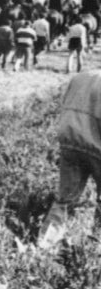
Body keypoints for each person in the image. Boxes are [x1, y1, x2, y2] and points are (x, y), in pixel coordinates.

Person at [39, 70, 101, 247]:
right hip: (97, 145)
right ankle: (95, 247)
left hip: (70, 140)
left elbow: (64, 104)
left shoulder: (82, 76)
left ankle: (45, 244)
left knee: (65, 199)